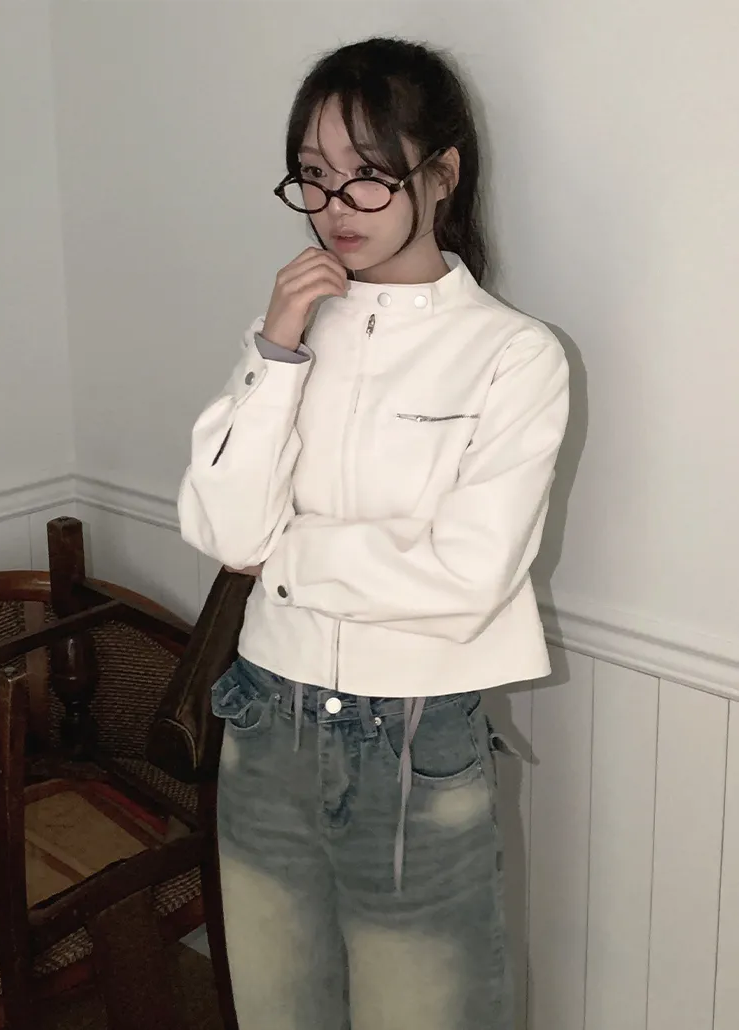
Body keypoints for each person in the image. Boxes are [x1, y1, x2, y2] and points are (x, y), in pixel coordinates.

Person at [178, 35, 569, 1030]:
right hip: (262, 721)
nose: (334, 207)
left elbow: (467, 577)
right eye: (312, 176)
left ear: (443, 173)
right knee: (277, 1010)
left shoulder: (514, 356)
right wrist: (276, 346)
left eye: (367, 175)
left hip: (415, 740)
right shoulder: (293, 330)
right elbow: (224, 527)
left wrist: (288, 556)